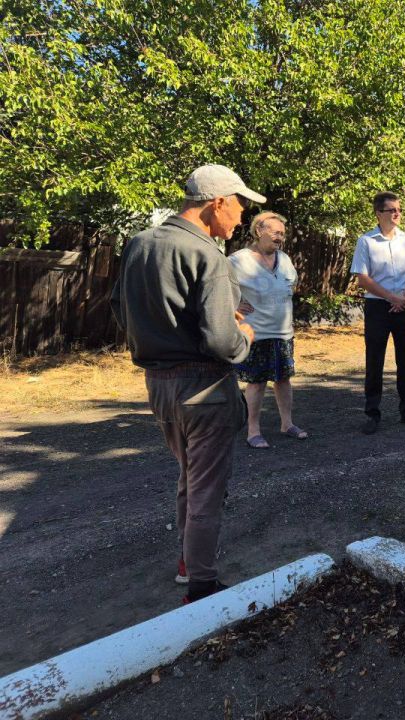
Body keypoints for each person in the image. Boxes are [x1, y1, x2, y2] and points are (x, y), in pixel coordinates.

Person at [110, 164, 262, 603]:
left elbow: (121, 307)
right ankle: (202, 588)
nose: (240, 219)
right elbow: (222, 341)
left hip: (158, 385)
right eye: (239, 207)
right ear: (217, 202)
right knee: (207, 490)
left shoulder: (139, 244)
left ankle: (187, 564)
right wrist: (244, 337)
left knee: (188, 477)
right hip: (205, 390)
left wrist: (171, 334)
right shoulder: (208, 256)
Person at [228, 211, 306, 449]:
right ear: (259, 230)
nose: (280, 237)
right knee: (257, 382)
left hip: (283, 332)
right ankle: (253, 431)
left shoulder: (284, 259)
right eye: (275, 232)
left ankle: (287, 423)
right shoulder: (238, 260)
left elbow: (290, 285)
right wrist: (232, 303)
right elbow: (215, 285)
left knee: (284, 379)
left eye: (282, 233)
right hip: (255, 332)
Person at [350, 191, 405, 435]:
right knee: (375, 361)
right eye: (392, 210)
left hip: (404, 305)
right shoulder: (366, 241)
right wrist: (390, 297)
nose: (397, 214)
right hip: (378, 308)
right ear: (378, 213)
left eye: (399, 210)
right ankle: (372, 414)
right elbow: (362, 278)